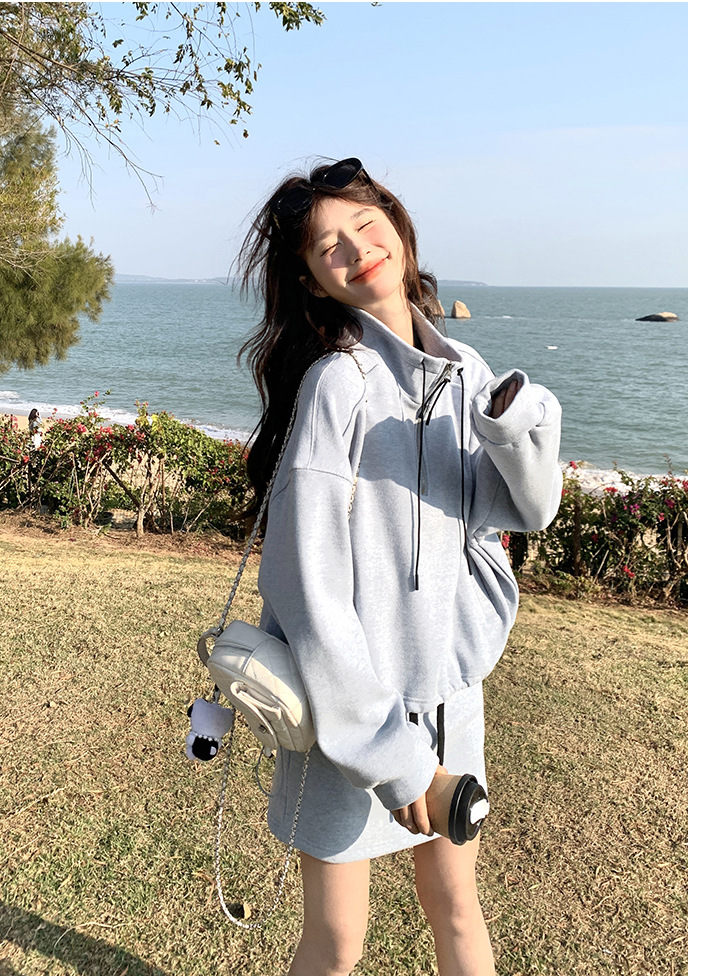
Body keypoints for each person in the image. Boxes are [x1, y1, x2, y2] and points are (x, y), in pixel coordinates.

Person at [235, 157, 562, 976]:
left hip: (450, 699)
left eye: (365, 223)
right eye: (328, 247)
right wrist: (394, 753)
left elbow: (525, 509)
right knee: (336, 939)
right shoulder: (335, 386)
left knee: (458, 908)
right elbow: (308, 591)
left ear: (398, 226)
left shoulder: (466, 371)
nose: (356, 249)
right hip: (351, 715)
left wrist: (517, 428)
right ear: (312, 281)